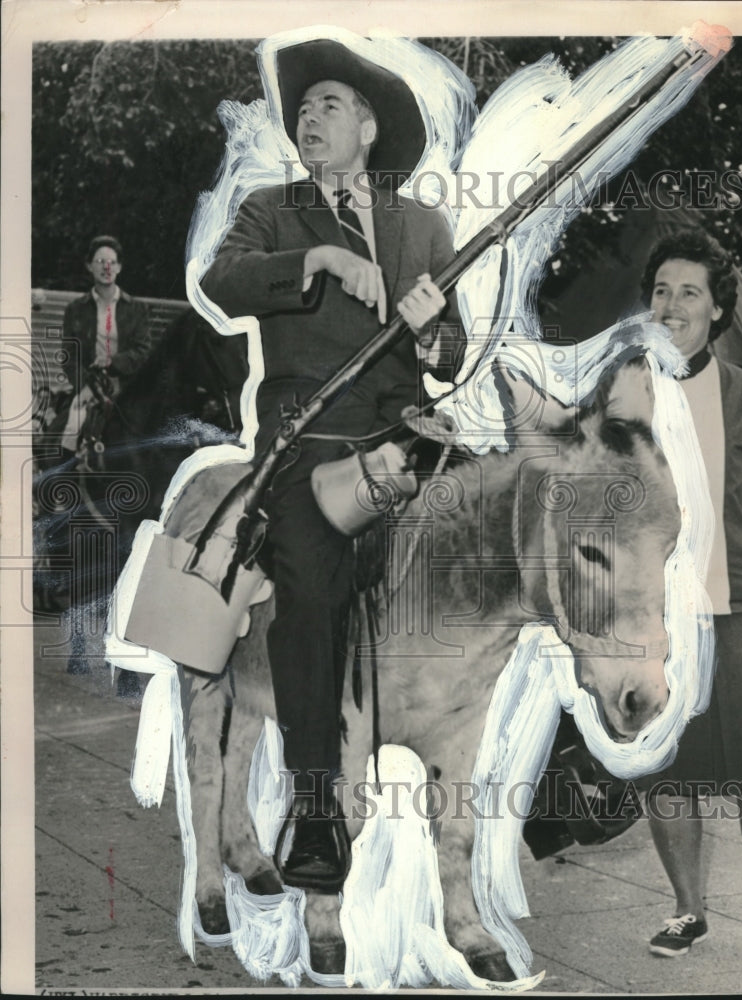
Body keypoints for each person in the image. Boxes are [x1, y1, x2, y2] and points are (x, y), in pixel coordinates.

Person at [199, 38, 462, 892]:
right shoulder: (270, 212)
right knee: (310, 572)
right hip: (308, 440)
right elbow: (223, 283)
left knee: (520, 526)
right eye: (304, 108)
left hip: (402, 433)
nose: (311, 117)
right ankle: (316, 808)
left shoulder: (420, 224)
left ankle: (564, 775)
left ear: (370, 129)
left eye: (331, 105)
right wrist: (316, 259)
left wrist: (429, 331)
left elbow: (450, 353)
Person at [635, 229, 742, 959]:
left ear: (719, 310)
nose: (672, 305)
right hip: (655, 625)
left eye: (689, 292)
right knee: (670, 774)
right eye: (661, 291)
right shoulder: (623, 394)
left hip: (741, 613)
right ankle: (687, 910)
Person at [60, 236, 151, 458]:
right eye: (100, 261)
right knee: (72, 427)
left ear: (119, 267)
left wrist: (113, 362)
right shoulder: (76, 310)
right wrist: (85, 384)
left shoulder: (136, 309)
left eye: (111, 262)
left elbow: (143, 352)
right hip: (90, 386)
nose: (106, 267)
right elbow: (68, 357)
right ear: (89, 266)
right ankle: (67, 480)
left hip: (127, 386)